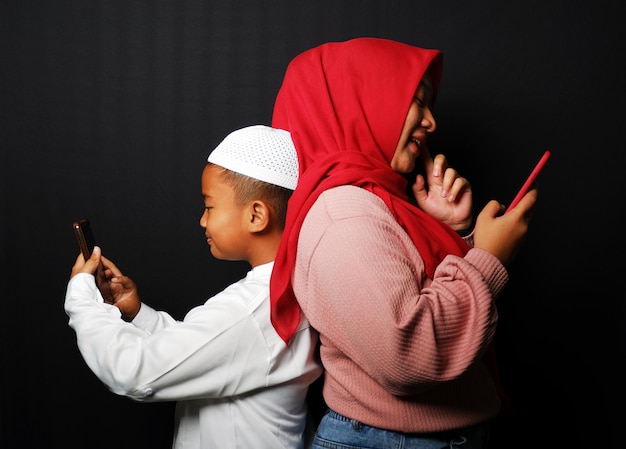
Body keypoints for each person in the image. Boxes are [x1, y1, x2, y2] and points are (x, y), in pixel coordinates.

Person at [267, 37, 538, 448]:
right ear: (362, 101)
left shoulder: (375, 201)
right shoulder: (345, 214)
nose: (431, 123)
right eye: (416, 101)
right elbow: (408, 355)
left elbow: (426, 299)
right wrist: (487, 258)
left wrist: (456, 232)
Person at [64, 125, 323, 449]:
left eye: (210, 207)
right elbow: (202, 350)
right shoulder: (278, 294)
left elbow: (134, 370)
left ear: (256, 215)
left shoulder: (252, 309)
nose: (202, 220)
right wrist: (137, 314)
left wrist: (81, 296)